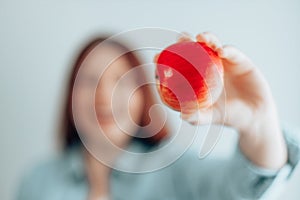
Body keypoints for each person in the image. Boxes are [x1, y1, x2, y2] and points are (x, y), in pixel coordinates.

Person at [16, 32, 300, 200]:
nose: (103, 96)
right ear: (71, 98)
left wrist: (258, 123)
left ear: (142, 100)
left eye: (120, 81)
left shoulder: (175, 170)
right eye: (90, 81)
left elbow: (243, 189)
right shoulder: (37, 181)